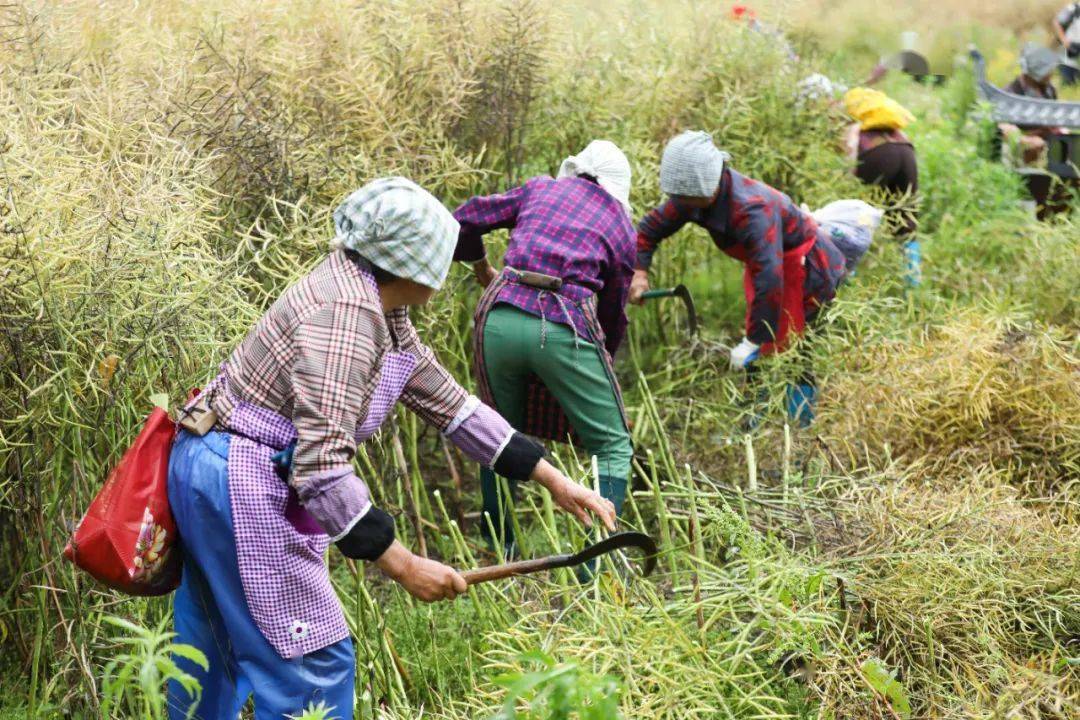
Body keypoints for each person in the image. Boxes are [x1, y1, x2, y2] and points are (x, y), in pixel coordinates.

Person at [166, 177, 616, 719]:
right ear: (414, 262)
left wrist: (553, 479)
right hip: (240, 483)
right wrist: (404, 566)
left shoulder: (377, 302)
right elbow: (321, 471)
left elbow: (453, 406)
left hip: (211, 467)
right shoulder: (347, 318)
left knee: (212, 654)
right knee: (312, 668)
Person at [452, 140, 636, 556]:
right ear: (617, 188)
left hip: (499, 315)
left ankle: (502, 551)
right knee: (611, 445)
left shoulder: (540, 188)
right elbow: (612, 313)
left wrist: (481, 266)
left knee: (497, 436)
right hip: (565, 325)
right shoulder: (621, 225)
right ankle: (597, 568)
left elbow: (464, 219)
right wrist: (599, 359)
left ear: (578, 171)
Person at [629, 131, 875, 426]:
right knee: (762, 343)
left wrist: (754, 339)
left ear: (709, 186)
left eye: (686, 198)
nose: (679, 204)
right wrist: (639, 272)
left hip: (807, 269)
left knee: (798, 348)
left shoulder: (751, 209)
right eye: (678, 198)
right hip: (768, 266)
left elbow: (770, 278)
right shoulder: (690, 198)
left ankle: (800, 428)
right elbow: (649, 229)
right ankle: (754, 419)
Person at [842, 87, 920, 285]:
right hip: (906, 152)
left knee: (855, 213)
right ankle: (913, 281)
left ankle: (848, 278)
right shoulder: (894, 130)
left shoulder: (850, 123)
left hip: (878, 154)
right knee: (906, 216)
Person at [1054, 3, 1080, 86]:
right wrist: (1064, 41)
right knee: (1069, 83)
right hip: (1070, 51)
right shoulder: (1073, 8)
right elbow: (1057, 22)